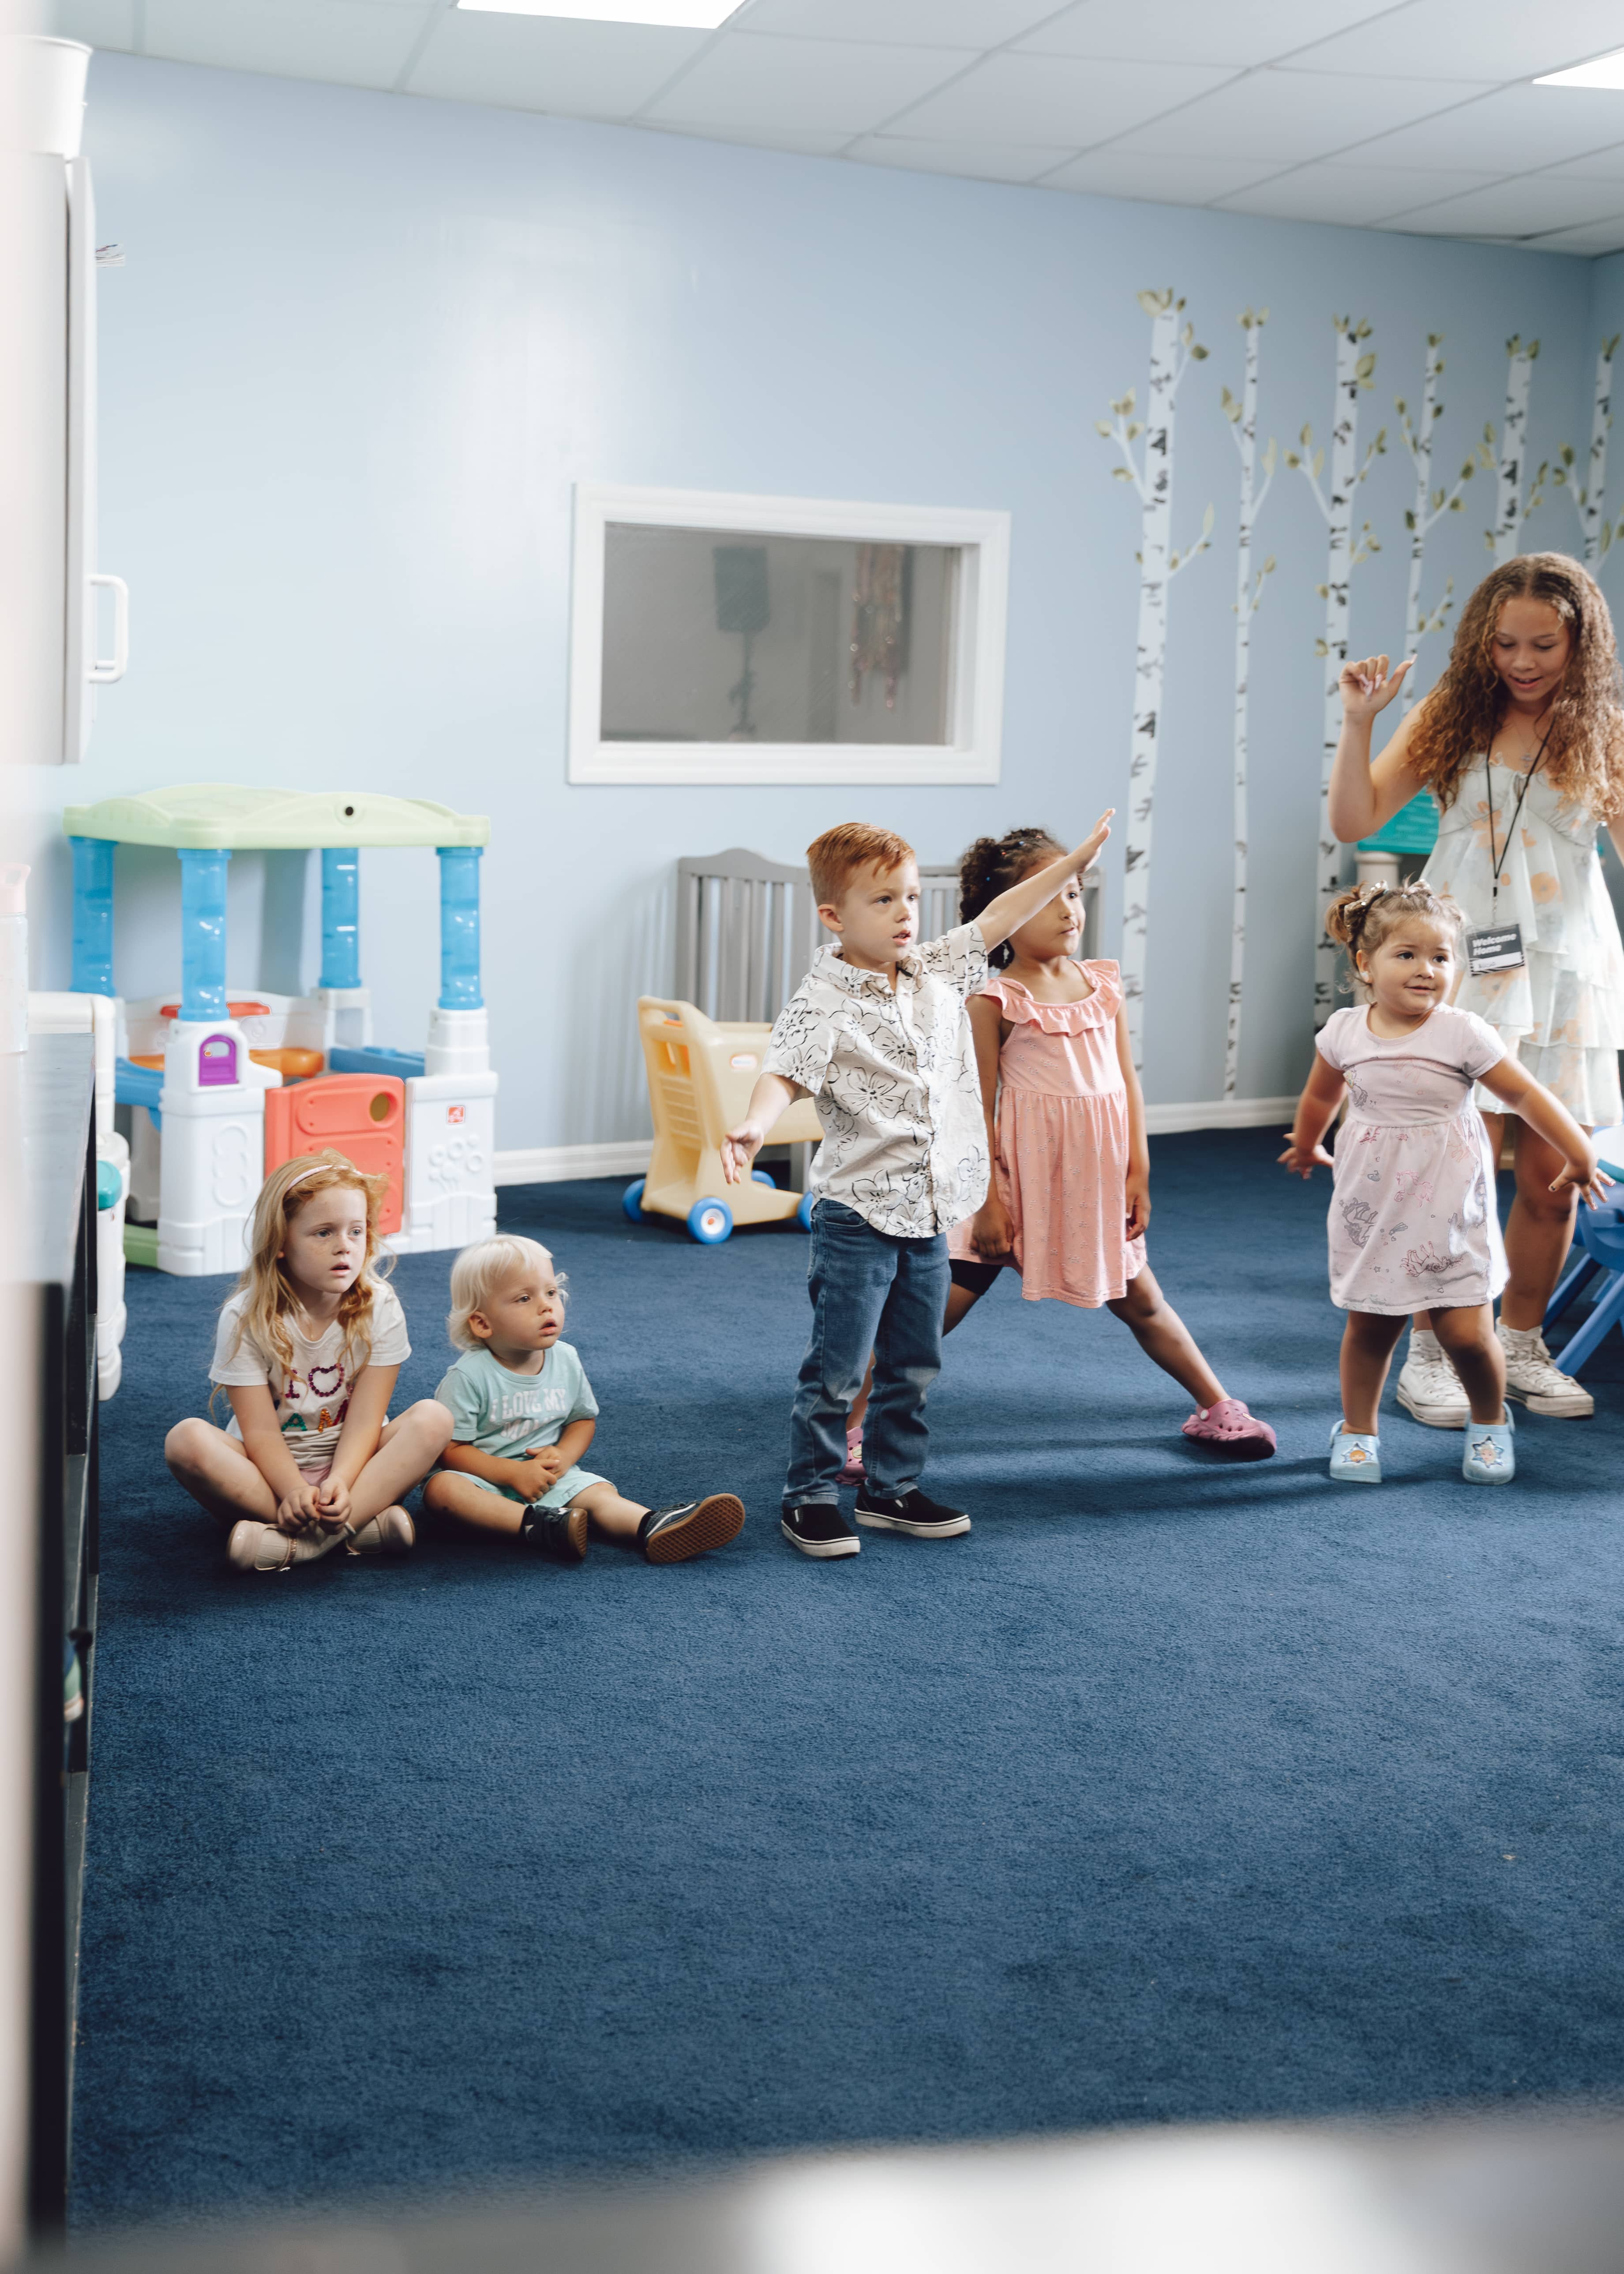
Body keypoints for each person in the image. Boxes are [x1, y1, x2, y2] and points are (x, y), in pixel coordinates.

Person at [721, 811, 1113, 1560]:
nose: (904, 913)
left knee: (914, 1361)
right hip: (858, 1216)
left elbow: (1003, 912)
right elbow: (785, 1071)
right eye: (883, 901)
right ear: (834, 915)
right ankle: (807, 1496)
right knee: (838, 1369)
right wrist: (754, 1125)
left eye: (909, 897)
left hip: (932, 1210)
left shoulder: (940, 969)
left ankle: (891, 1488)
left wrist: (1075, 863)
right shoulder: (821, 1000)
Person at [840, 826, 1273, 1461]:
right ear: (1008, 917)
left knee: (1143, 1301)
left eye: (1075, 893)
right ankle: (848, 1425)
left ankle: (1216, 1406)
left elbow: (1125, 1083)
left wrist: (1138, 1170)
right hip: (1013, 1185)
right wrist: (986, 1202)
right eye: (1051, 899)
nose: (1071, 910)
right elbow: (972, 1106)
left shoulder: (1101, 983)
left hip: (1089, 1186)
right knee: (933, 1313)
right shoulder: (993, 1000)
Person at [1327, 553, 1624, 1426]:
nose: (1522, 661)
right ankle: (1432, 1352)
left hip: (1567, 971)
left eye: (1543, 645)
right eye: (1504, 643)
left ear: (1581, 642)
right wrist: (1356, 724)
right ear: (1479, 641)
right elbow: (1355, 819)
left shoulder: (1602, 728)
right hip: (1458, 967)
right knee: (1445, 1171)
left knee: (1552, 1176)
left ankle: (1521, 1344)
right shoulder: (1449, 714)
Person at [1281, 882, 1607, 1485]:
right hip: (1373, 1203)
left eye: (1441, 957)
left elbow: (1525, 1094)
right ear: (1365, 963)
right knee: (1371, 1325)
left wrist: (1578, 1150)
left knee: (1464, 1331)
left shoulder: (1463, 1033)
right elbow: (1319, 1094)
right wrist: (1307, 1141)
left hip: (1449, 1203)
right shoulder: (1345, 1032)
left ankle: (1488, 1420)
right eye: (1406, 954)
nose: (1426, 969)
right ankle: (1357, 1430)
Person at [165, 1151, 453, 1573]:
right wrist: (292, 1489)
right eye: (323, 1233)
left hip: (355, 1465)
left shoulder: (381, 1305)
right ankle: (356, 1529)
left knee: (434, 1419)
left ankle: (303, 1544)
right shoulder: (245, 1317)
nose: (345, 1246)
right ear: (281, 1242)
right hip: (267, 1471)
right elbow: (259, 1430)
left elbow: (366, 1419)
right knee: (185, 1440)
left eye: (356, 1231)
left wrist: (340, 1481)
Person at [421, 1234, 745, 1563]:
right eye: (523, 1298)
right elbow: (451, 1451)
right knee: (441, 1491)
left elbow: (581, 1420)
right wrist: (511, 1474)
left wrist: (562, 1457)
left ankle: (652, 1524)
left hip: (548, 1478)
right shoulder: (468, 1376)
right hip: (484, 1482)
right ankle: (538, 1526)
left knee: (599, 1494)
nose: (547, 1305)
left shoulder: (566, 1359)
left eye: (551, 1292)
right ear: (482, 1323)